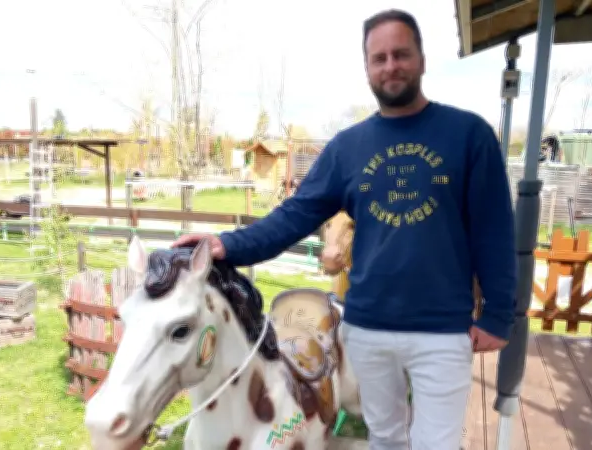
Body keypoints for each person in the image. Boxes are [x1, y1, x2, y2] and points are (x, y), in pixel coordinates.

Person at [171, 8, 517, 450]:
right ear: (367, 69)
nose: (390, 66)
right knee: (385, 438)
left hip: (442, 331)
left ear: (422, 60)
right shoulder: (348, 148)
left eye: (401, 54)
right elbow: (295, 215)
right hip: (367, 327)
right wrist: (226, 244)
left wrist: (498, 314)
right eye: (379, 58)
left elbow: (494, 231)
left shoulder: (468, 135)